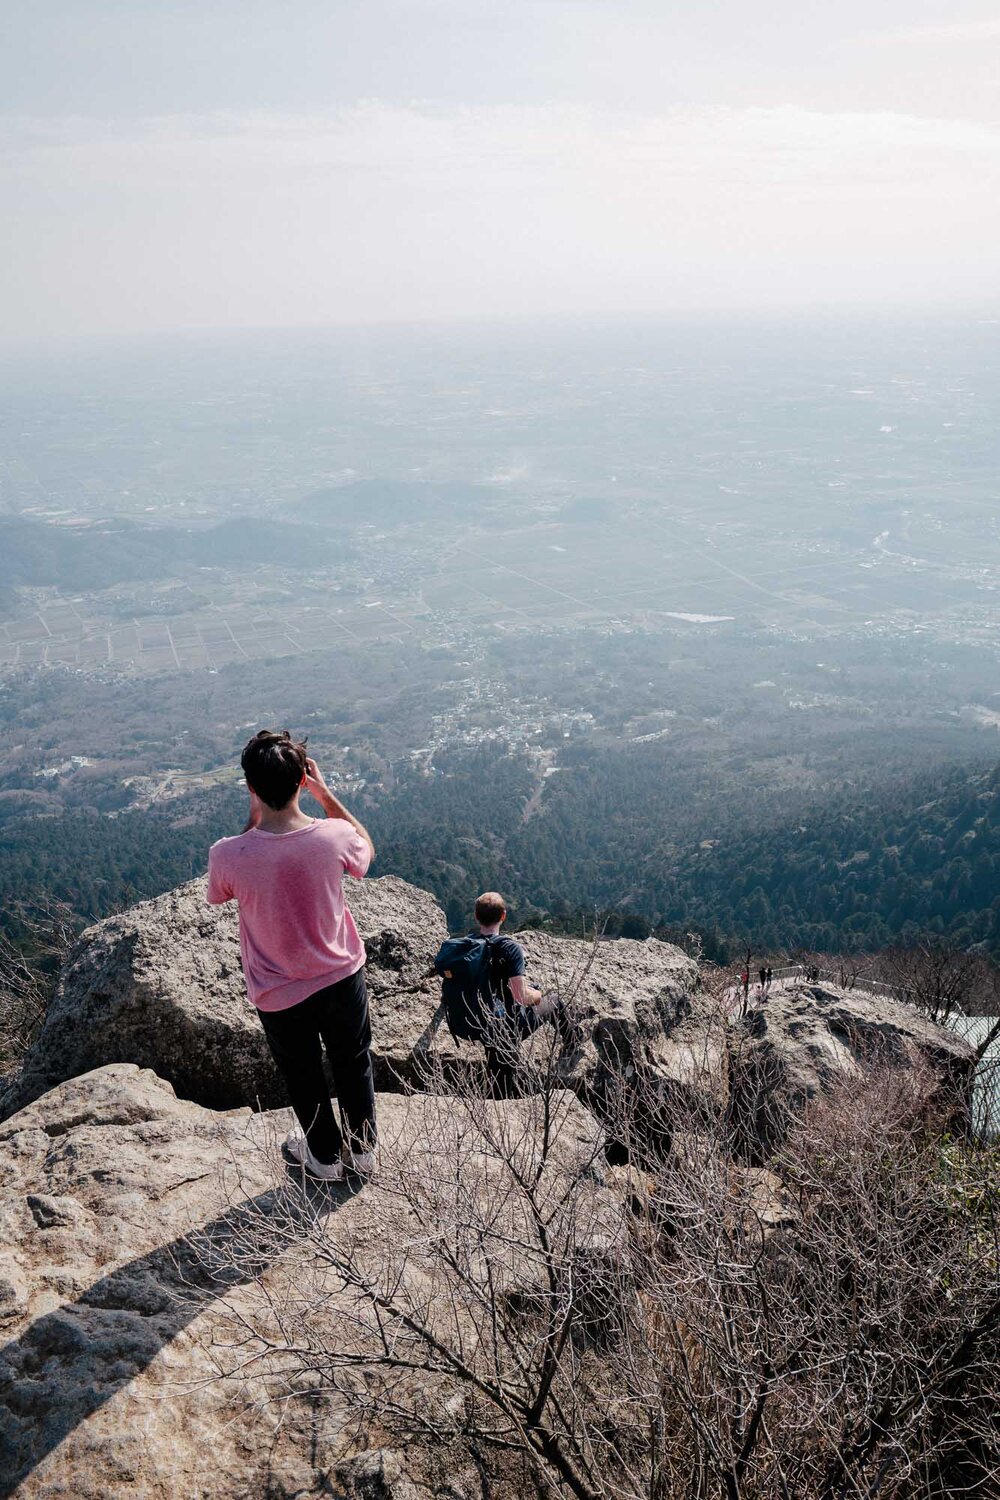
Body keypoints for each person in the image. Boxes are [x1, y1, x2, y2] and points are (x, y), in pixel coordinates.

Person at [206, 728, 376, 1183]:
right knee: (353, 1060)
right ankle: (362, 1154)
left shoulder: (228, 854)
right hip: (341, 972)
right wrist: (325, 795)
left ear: (252, 788)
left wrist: (256, 813)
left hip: (278, 988)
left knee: (303, 1074)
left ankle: (324, 1158)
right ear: (303, 779)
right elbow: (365, 852)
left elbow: (222, 893)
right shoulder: (335, 835)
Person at [463, 891, 579, 1099]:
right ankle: (573, 1040)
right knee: (553, 1000)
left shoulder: (467, 945)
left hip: (477, 1021)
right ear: (503, 916)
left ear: (476, 916)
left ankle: (496, 1102)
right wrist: (538, 994)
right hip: (506, 1026)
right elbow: (521, 997)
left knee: (498, 1077)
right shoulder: (509, 948)